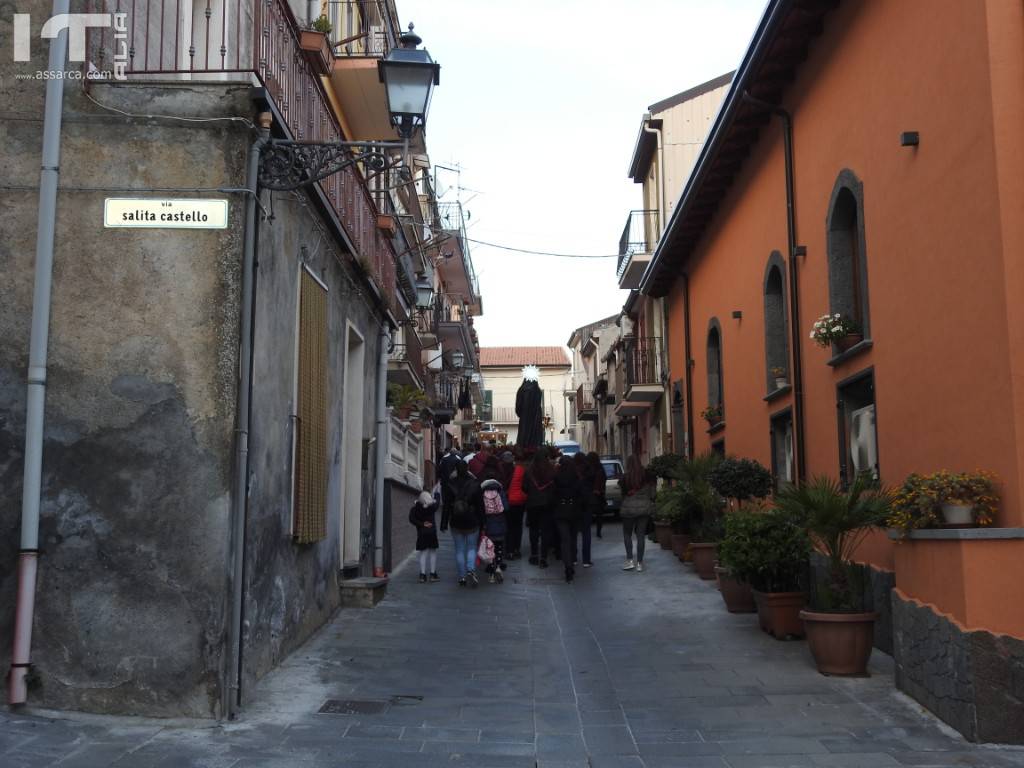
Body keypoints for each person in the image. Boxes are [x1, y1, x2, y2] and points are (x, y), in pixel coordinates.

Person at [444, 461, 483, 587]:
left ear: (456, 469)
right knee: (471, 547)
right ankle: (471, 569)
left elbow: (446, 505)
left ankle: (462, 577)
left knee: (459, 549)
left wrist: (444, 523)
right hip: (472, 520)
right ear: (467, 469)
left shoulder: (450, 484)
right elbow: (480, 506)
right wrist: (483, 521)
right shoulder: (475, 484)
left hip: (456, 521)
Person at [619, 455, 656, 572]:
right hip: (644, 509)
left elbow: (623, 495)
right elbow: (653, 494)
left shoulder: (625, 478)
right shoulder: (647, 475)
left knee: (627, 534)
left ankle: (630, 561)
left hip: (628, 509)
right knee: (640, 535)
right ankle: (640, 563)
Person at [522, 447, 555, 567]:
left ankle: (534, 554)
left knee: (534, 529)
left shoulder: (529, 470)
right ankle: (544, 557)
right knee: (546, 530)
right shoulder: (551, 469)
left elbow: (524, 487)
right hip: (547, 503)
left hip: (533, 504)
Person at [553, 457, 583, 583]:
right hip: (574, 512)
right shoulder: (577, 478)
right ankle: (573, 559)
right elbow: (582, 496)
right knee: (573, 538)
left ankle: (568, 567)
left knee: (564, 540)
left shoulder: (556, 478)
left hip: (560, 512)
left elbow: (552, 496)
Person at [480, 473, 508, 582]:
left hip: (489, 526)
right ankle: (498, 567)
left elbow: (481, 510)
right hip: (500, 524)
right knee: (499, 548)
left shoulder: (482, 494)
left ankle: (491, 575)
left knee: (490, 550)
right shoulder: (500, 492)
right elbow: (506, 507)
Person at [409, 490, 440, 583]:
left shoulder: (414, 509)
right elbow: (437, 502)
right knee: (433, 552)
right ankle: (432, 574)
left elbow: (411, 519)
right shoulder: (432, 507)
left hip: (421, 533)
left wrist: (422, 524)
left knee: (423, 553)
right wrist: (437, 493)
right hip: (432, 533)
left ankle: (422, 575)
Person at [505, 450, 527, 560]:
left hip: (509, 500)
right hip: (520, 502)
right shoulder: (523, 470)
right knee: (518, 526)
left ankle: (509, 550)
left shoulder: (507, 470)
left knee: (509, 526)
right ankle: (517, 549)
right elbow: (526, 486)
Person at [586, 452, 607, 542]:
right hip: (599, 495)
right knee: (599, 515)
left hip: (589, 495)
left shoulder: (587, 469)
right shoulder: (600, 468)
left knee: (589, 514)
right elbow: (604, 479)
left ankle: (587, 531)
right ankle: (598, 531)